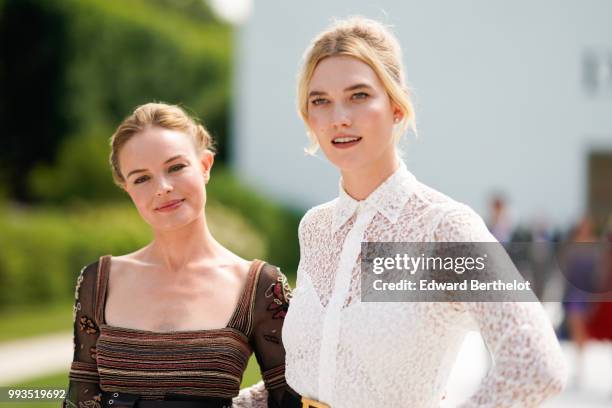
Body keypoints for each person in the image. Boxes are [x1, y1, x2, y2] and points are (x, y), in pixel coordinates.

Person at [282, 17, 567, 407]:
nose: (339, 118)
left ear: (397, 107)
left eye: (359, 95)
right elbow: (311, 378)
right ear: (308, 119)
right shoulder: (315, 227)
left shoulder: (443, 228)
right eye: (321, 101)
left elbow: (537, 367)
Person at [63, 103, 295, 408]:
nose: (163, 188)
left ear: (205, 166)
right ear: (127, 189)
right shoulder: (97, 281)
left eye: (175, 167)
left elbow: (289, 399)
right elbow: (79, 399)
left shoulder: (261, 285)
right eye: (142, 178)